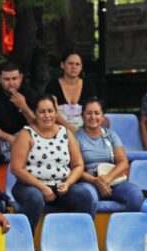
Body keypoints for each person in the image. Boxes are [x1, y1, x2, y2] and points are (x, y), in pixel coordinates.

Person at [9, 94, 94, 231]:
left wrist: (68, 183)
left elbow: (78, 165)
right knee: (35, 198)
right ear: (35, 114)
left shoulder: (66, 132)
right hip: (30, 186)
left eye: (50, 111)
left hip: (60, 187)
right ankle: (23, 241)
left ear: (56, 113)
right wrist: (42, 187)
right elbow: (16, 169)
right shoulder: (26, 134)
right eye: (42, 112)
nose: (47, 115)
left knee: (84, 195)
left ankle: (80, 241)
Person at [75, 97, 144, 212]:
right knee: (87, 198)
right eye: (88, 113)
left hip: (112, 180)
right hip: (89, 181)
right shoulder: (76, 137)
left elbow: (123, 162)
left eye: (97, 113)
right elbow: (75, 168)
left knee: (135, 195)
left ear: (102, 117)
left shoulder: (111, 135)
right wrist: (96, 181)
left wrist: (107, 179)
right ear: (82, 116)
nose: (93, 117)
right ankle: (90, 230)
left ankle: (124, 228)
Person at [0, 62, 38, 162]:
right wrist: (9, 138)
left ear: (21, 78)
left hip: (23, 136)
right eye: (7, 79)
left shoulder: (29, 93)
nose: (11, 83)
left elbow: (38, 125)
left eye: (14, 78)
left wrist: (23, 106)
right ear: (0, 79)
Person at [45, 52, 96, 132]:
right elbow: (51, 110)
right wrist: (69, 127)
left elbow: (92, 109)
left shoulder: (88, 86)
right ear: (62, 65)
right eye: (70, 63)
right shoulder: (53, 85)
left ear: (81, 67)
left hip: (84, 128)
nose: (74, 67)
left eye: (77, 64)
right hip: (58, 127)